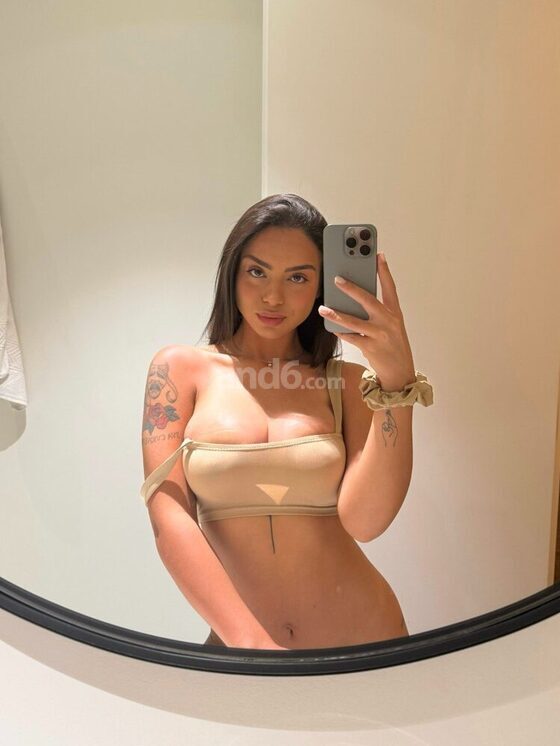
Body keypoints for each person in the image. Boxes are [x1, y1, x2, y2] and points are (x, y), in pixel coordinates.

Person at [140, 193, 430, 650]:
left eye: (298, 277)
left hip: (363, 642)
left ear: (320, 287)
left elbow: (366, 522)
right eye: (257, 272)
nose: (273, 296)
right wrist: (249, 642)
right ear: (232, 273)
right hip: (244, 652)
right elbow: (169, 516)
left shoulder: (349, 384)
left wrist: (397, 383)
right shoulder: (178, 371)